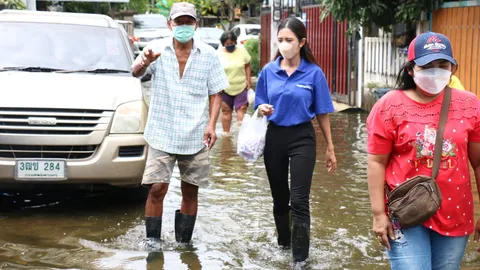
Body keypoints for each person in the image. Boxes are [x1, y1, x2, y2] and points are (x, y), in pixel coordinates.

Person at [367, 31, 480, 269]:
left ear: (453, 68)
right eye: (427, 65)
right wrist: (379, 214)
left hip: (455, 212)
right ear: (411, 69)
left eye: (442, 64)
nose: (435, 70)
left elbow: (478, 163)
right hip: (405, 211)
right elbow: (377, 162)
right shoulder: (389, 105)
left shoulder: (470, 105)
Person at [131, 2, 229, 246]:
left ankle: (184, 244)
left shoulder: (208, 54)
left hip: (195, 134)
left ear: (196, 25)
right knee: (157, 189)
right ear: (170, 24)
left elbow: (216, 92)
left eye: (188, 22)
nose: (183, 26)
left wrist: (211, 125)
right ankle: (153, 243)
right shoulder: (155, 49)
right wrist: (144, 61)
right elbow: (134, 72)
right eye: (179, 22)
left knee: (190, 190)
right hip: (162, 132)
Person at [254, 17, 337, 263]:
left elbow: (322, 111)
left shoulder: (313, 73)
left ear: (302, 42)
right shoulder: (269, 71)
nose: (284, 44)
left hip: (303, 137)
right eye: (280, 40)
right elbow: (258, 102)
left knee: (300, 200)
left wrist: (330, 148)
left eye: (289, 40)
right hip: (275, 137)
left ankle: (300, 260)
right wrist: (262, 109)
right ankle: (283, 245)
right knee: (280, 198)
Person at [217, 31, 252, 135]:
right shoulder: (218, 54)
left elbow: (247, 65)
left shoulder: (242, 52)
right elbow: (214, 70)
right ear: (223, 44)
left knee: (242, 109)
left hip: (241, 86)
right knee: (226, 111)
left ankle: (241, 135)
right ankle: (226, 135)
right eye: (227, 44)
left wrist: (248, 80)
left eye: (232, 43)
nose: (230, 46)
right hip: (224, 88)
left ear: (235, 42)